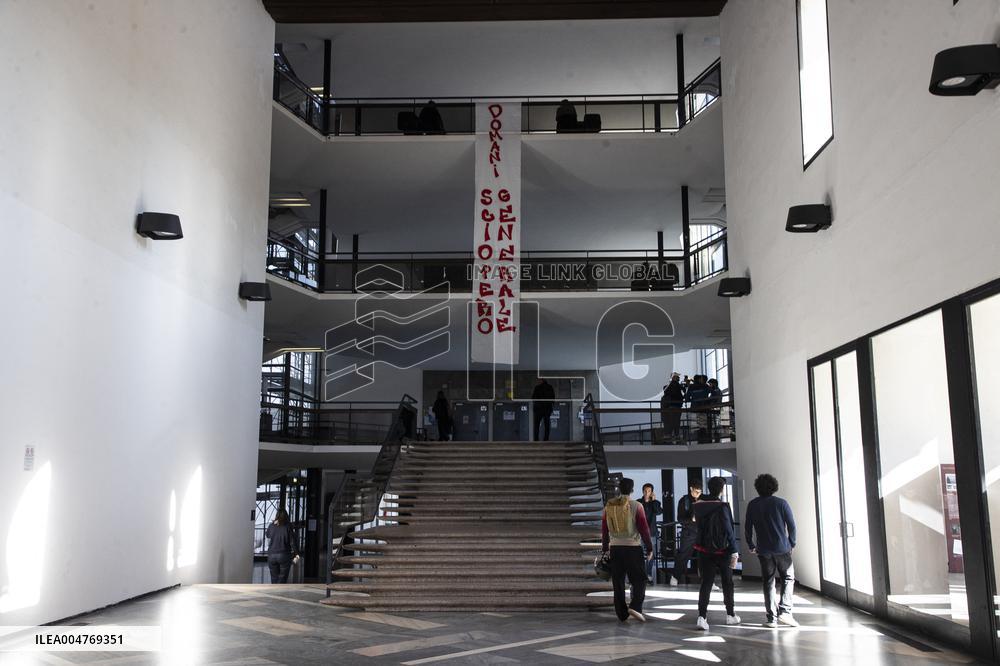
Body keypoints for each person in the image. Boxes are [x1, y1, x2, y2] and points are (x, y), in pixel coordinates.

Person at [745, 473, 799, 628]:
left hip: (763, 550)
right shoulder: (781, 503)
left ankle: (771, 618)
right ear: (774, 487)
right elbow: (792, 526)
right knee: (788, 578)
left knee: (768, 582)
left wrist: (751, 544)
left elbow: (748, 527)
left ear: (757, 488)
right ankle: (785, 612)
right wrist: (792, 543)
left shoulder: (753, 505)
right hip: (782, 548)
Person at [601, 477, 654, 622]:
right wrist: (650, 548)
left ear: (619, 489)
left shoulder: (609, 506)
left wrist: (605, 548)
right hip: (633, 548)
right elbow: (644, 529)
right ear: (632, 490)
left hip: (615, 548)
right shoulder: (637, 506)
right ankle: (635, 606)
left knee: (618, 582)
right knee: (640, 579)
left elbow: (604, 530)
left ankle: (621, 614)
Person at [693, 476, 740, 630]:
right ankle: (730, 615)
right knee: (727, 582)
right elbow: (728, 529)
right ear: (721, 490)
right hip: (723, 550)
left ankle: (702, 617)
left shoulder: (698, 505)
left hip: (704, 549)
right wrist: (734, 549)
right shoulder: (722, 506)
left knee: (706, 582)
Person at [671, 480, 701, 585]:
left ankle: (708, 580)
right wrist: (691, 519)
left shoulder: (703, 499)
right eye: (696, 491)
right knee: (683, 555)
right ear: (691, 489)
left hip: (702, 531)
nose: (698, 494)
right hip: (688, 532)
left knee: (705, 556)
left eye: (699, 492)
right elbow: (680, 519)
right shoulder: (684, 501)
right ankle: (675, 577)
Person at [266, 508, 299, 584]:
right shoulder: (288, 526)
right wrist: (296, 553)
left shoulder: (271, 525)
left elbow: (267, 535)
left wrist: (273, 524)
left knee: (274, 578)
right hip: (284, 555)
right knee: (282, 578)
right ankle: (280, 590)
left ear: (276, 515)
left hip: (271, 555)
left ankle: (274, 591)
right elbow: (292, 542)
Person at [639, 484, 662, 584]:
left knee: (651, 554)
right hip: (640, 532)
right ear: (642, 491)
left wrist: (653, 501)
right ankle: (641, 575)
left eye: (649, 491)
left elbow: (658, 512)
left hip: (651, 532)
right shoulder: (638, 502)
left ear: (652, 492)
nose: (647, 493)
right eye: (645, 491)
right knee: (639, 554)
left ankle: (648, 575)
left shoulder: (656, 503)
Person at [661, 373, 685, 441]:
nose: (679, 378)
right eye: (677, 377)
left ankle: (669, 435)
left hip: (670, 408)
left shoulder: (669, 388)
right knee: (676, 422)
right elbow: (682, 392)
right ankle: (676, 435)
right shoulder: (676, 386)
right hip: (676, 406)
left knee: (671, 422)